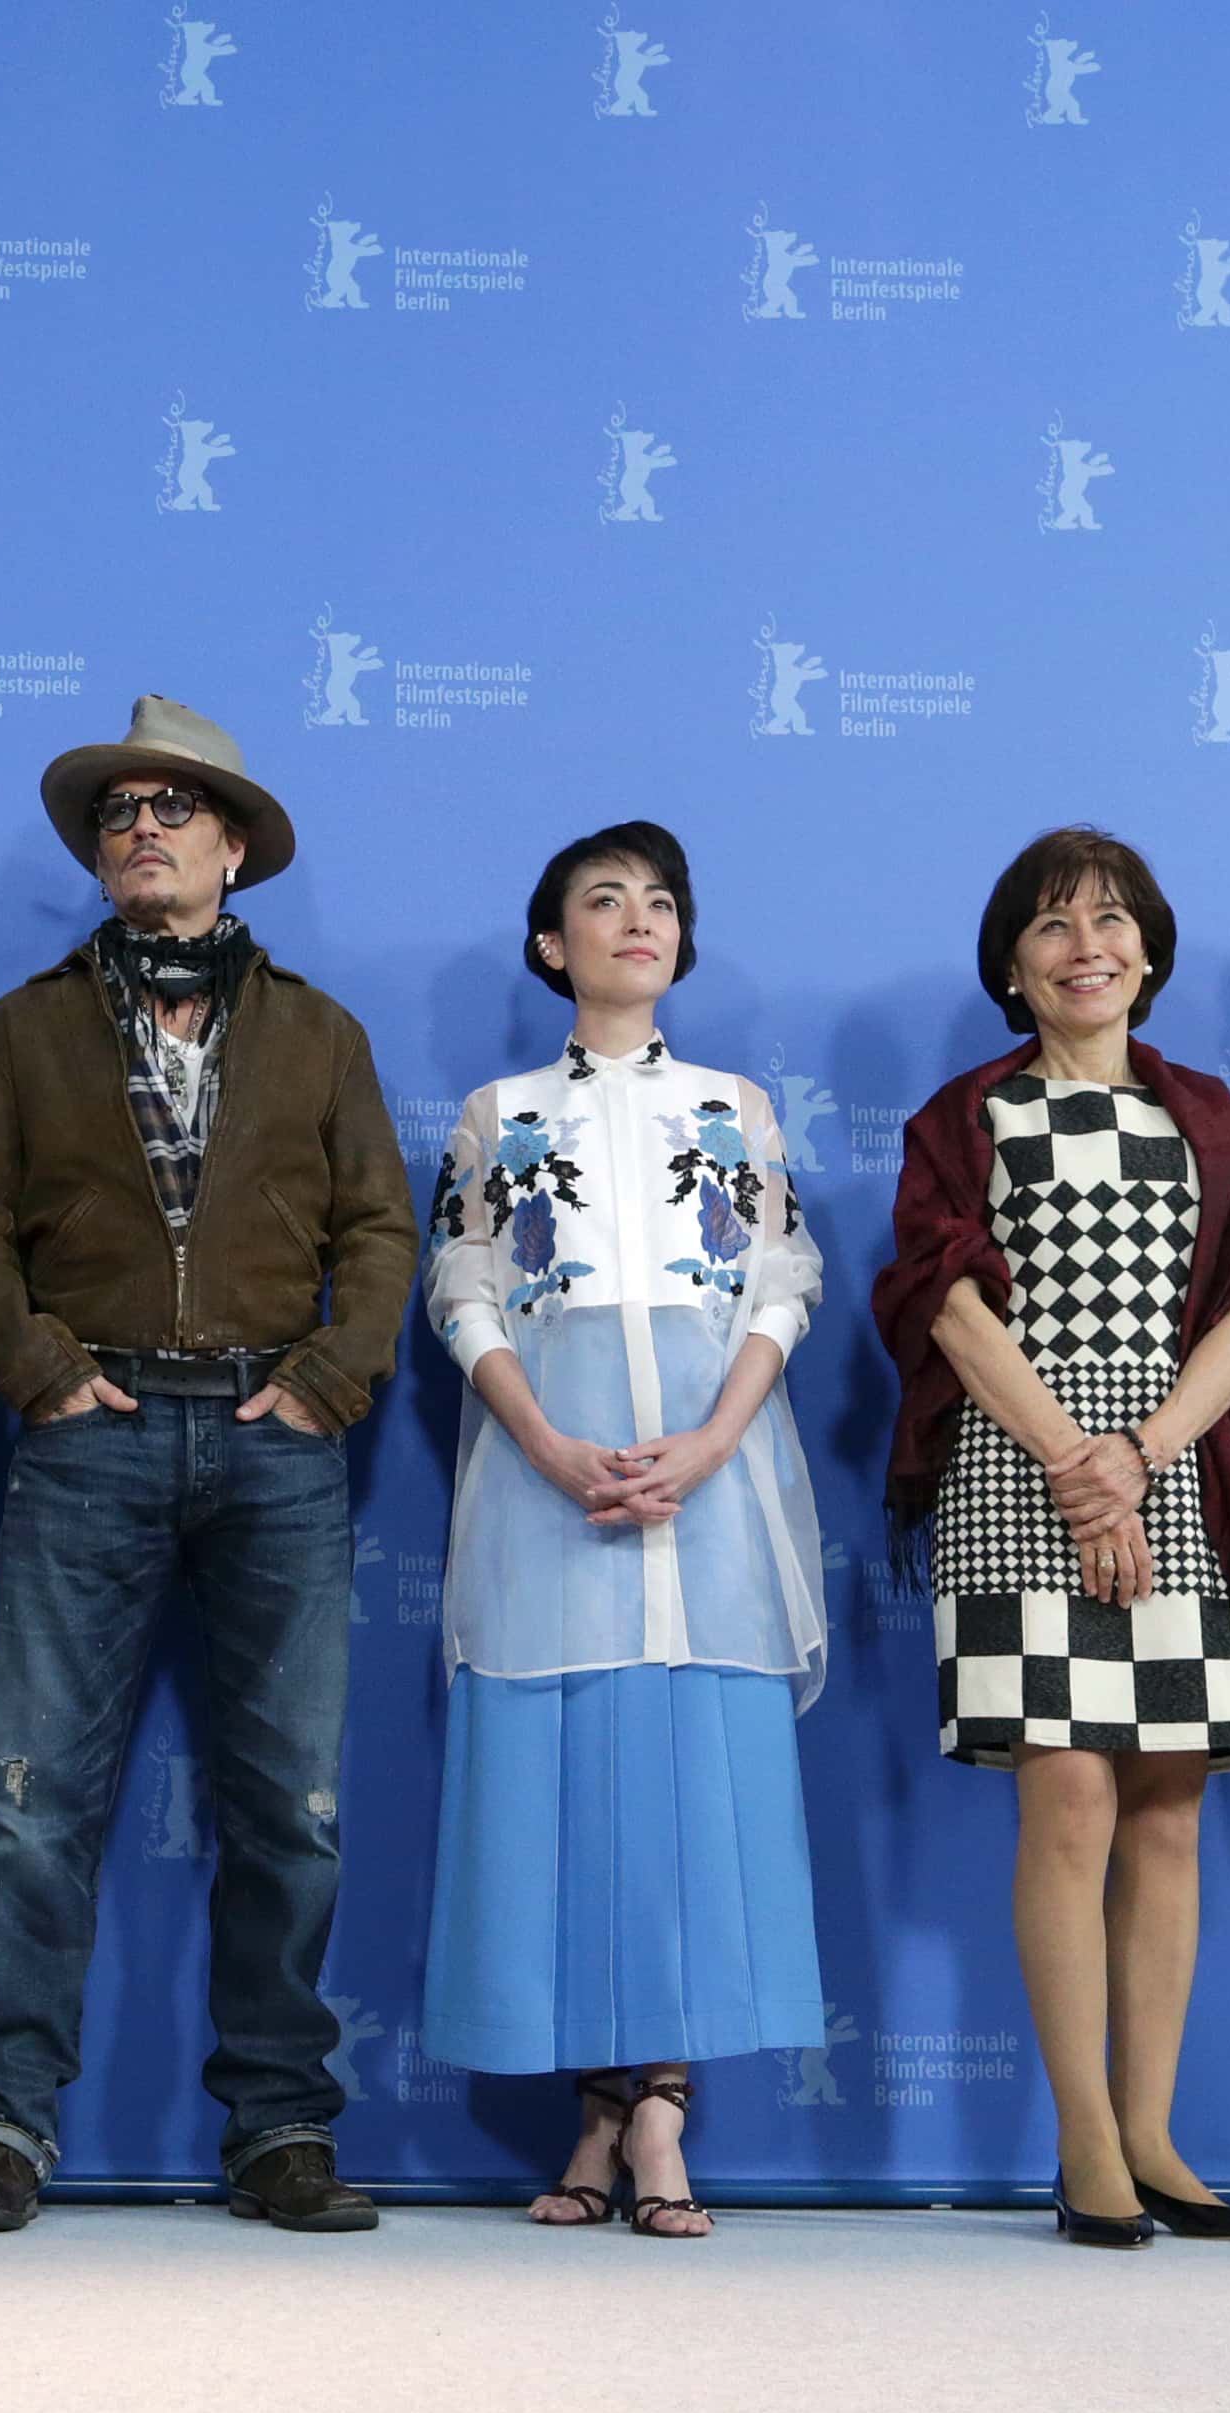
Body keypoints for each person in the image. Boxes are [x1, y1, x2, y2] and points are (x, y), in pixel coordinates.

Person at [0, 696, 420, 2233]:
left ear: (234, 850)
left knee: (295, 1808)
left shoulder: (322, 1034)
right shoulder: (19, 1030)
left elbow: (381, 1231)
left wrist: (330, 1380)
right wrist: (41, 1371)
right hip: (94, 1432)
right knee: (26, 1802)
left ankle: (282, 2128)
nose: (142, 829)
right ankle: (0, 2124)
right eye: (118, 812)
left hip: (276, 1440)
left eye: (173, 809)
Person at [871, 828, 1230, 2250]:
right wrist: (1076, 1462)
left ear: (1151, 952)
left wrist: (1139, 1457)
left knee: (1170, 1807)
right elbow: (943, 1304)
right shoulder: (967, 1117)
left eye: (1114, 921)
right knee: (1068, 1796)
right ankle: (1084, 2145)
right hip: (1017, 1476)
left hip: (1180, 1475)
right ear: (1012, 965)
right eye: (1056, 925)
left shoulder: (1211, 1117)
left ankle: (1155, 2135)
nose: (1090, 948)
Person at [417, 823, 830, 2238]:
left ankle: (659, 2114)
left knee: (689, 1789)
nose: (638, 920)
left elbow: (780, 1283)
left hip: (713, 1481)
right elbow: (462, 1287)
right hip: (550, 1481)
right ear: (555, 944)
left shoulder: (735, 1107)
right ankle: (597, 2108)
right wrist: (544, 1443)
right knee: (568, 1782)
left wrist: (713, 1445)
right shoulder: (498, 1113)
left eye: (661, 902)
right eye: (605, 900)